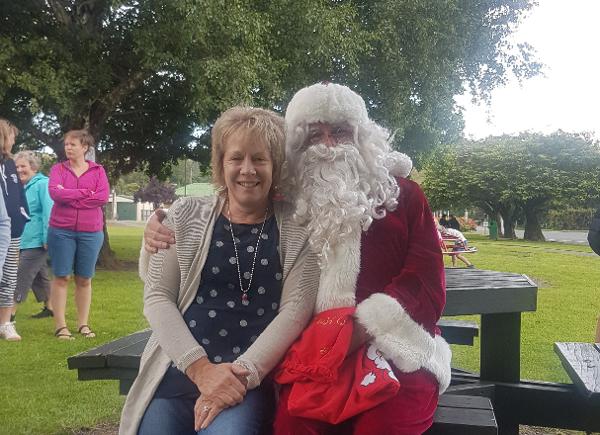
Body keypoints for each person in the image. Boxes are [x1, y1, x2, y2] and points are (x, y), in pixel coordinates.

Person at [119, 107, 320, 435]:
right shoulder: (186, 213)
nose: (247, 170)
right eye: (236, 158)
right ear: (220, 164)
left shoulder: (299, 228)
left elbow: (295, 313)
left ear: (276, 166)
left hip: (247, 384)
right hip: (178, 371)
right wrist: (201, 370)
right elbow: (157, 296)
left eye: (260, 159)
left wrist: (234, 378)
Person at [271, 82, 451, 434]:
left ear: (362, 136)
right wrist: (166, 226)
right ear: (295, 143)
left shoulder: (406, 196)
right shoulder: (280, 201)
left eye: (339, 132)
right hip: (311, 357)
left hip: (398, 348)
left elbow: (426, 281)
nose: (327, 145)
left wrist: (360, 328)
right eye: (313, 134)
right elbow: (226, 218)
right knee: (291, 427)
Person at [47, 129, 109, 340]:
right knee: (62, 276)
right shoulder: (58, 169)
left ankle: (83, 324)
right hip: (61, 230)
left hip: (91, 232)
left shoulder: (98, 171)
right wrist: (84, 193)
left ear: (85, 148)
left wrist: (69, 195)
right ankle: (60, 326)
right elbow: (56, 194)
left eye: (73, 144)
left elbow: (101, 197)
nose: (68, 148)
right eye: (66, 144)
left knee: (84, 279)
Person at [12, 151, 54, 320]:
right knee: (39, 275)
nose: (19, 169)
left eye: (23, 166)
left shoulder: (43, 184)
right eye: (17, 166)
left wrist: (47, 238)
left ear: (33, 167)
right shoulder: (20, 187)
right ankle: (50, 308)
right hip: (23, 240)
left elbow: (49, 212)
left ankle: (9, 315)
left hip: (38, 241)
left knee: (20, 276)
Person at [0, 118, 30, 341]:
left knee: (9, 278)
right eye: (11, 136)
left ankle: (5, 324)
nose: (14, 140)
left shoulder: (10, 163)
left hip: (13, 232)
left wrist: (23, 215)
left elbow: (19, 193)